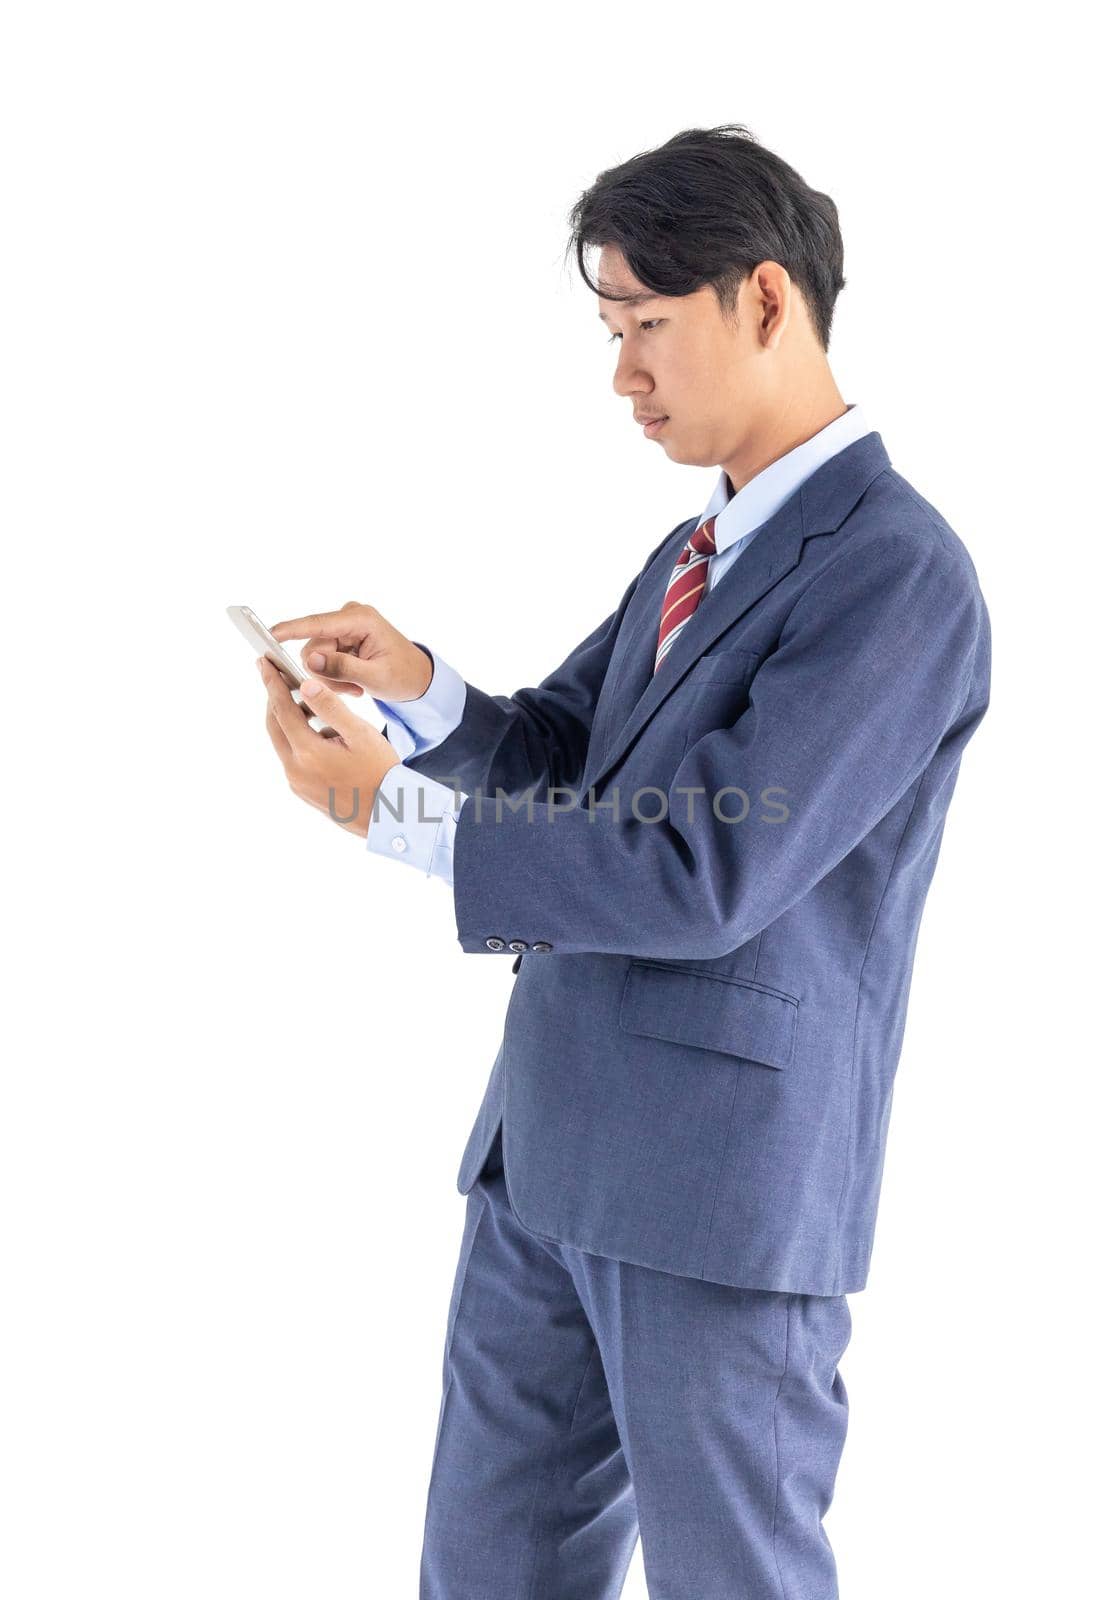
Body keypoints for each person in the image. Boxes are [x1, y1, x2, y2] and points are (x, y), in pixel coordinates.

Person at [255, 124, 991, 1599]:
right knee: (489, 1567)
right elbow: (568, 756)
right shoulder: (694, 551)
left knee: (734, 1575)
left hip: (714, 1191)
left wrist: (387, 814)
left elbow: (701, 868)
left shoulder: (895, 572)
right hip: (547, 1150)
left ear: (764, 301)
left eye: (646, 325)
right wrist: (424, 691)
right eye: (609, 328)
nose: (622, 374)